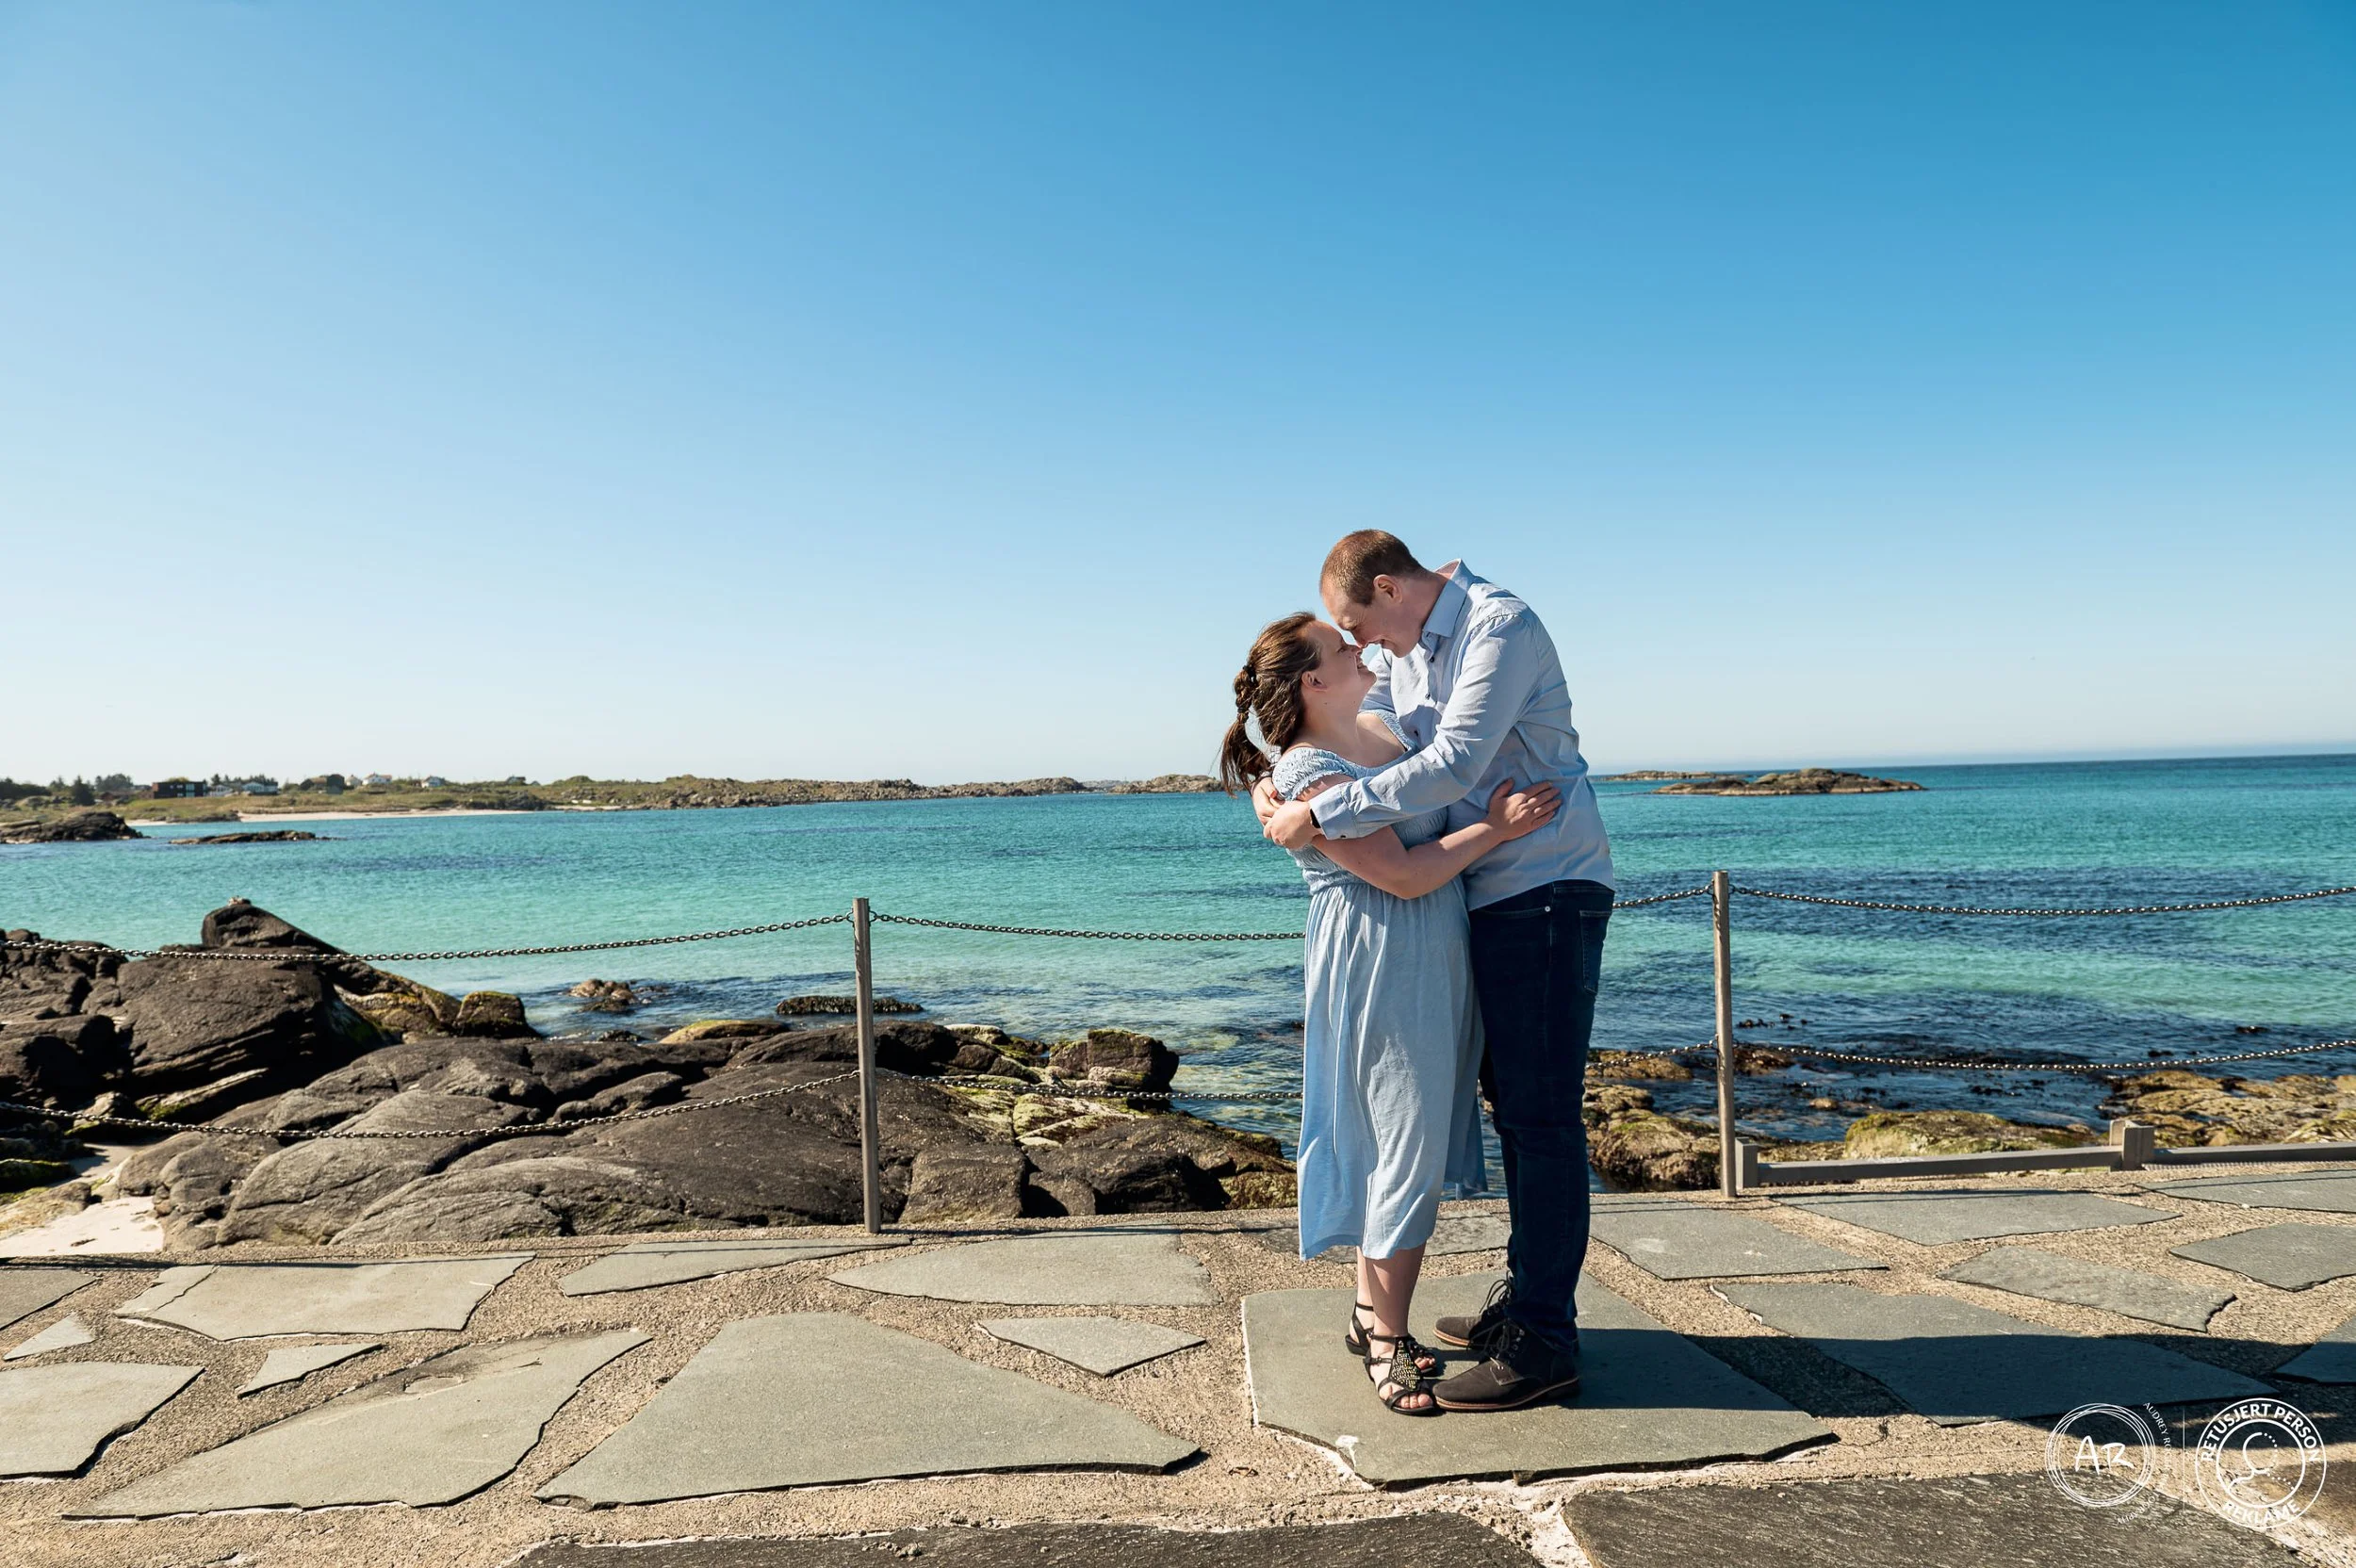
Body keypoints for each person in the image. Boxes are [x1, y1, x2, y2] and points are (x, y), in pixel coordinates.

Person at [1259, 531, 1613, 1413]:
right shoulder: (1410, 655)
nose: (1365, 645)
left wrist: (1319, 813)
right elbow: (1402, 765)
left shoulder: (1498, 626)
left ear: (1389, 588)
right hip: (1473, 903)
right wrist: (1291, 795)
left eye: (1356, 626)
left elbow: (1449, 766)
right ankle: (1515, 1312)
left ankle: (1541, 1341)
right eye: (1345, 641)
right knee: (1512, 1116)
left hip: (1540, 887)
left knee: (1538, 1120)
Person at [1220, 611, 1559, 1417]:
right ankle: (1387, 1341)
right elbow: (1401, 875)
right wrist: (1495, 827)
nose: (1361, 650)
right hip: (1380, 959)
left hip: (1431, 957)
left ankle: (1370, 1311)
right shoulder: (1308, 769)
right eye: (1342, 648)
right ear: (1313, 681)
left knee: (1403, 1135)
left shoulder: (1377, 728)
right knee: (1401, 1144)